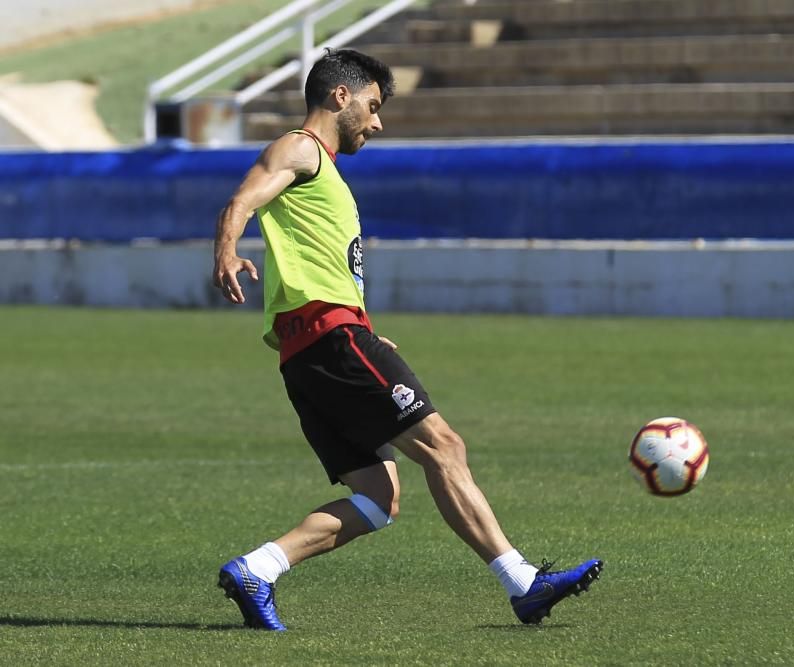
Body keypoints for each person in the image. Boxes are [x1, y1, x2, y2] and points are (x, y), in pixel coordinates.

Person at [211, 49, 602, 631]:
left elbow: (315, 260)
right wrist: (225, 250)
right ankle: (523, 583)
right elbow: (244, 197)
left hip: (313, 352)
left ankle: (257, 569)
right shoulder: (301, 149)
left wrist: (363, 327)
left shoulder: (324, 172)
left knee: (377, 498)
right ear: (340, 97)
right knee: (445, 447)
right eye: (372, 106)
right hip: (330, 340)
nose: (377, 122)